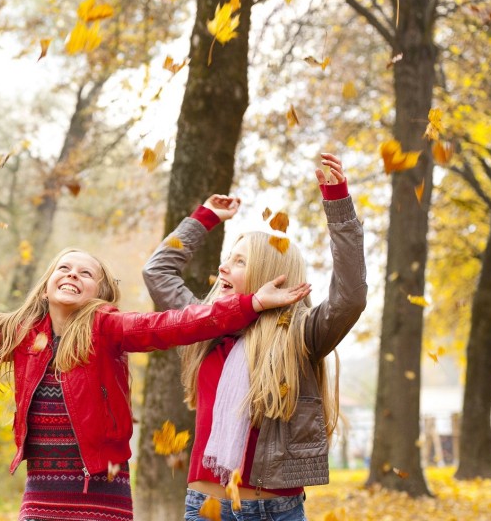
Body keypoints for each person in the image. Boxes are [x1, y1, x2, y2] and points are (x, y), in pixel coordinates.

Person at [0, 247, 311, 521]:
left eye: (85, 273)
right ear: (47, 283)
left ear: (99, 293)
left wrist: (248, 303)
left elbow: (175, 324)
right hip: (42, 489)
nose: (72, 275)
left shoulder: (108, 329)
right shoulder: (19, 333)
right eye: (64, 269)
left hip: (101, 488)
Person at [142, 153, 367, 521]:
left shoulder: (301, 335)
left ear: (270, 272)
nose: (222, 267)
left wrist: (338, 203)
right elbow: (157, 271)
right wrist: (206, 218)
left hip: (276, 510)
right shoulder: (206, 325)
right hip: (205, 509)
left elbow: (351, 296)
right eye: (228, 259)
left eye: (239, 261)